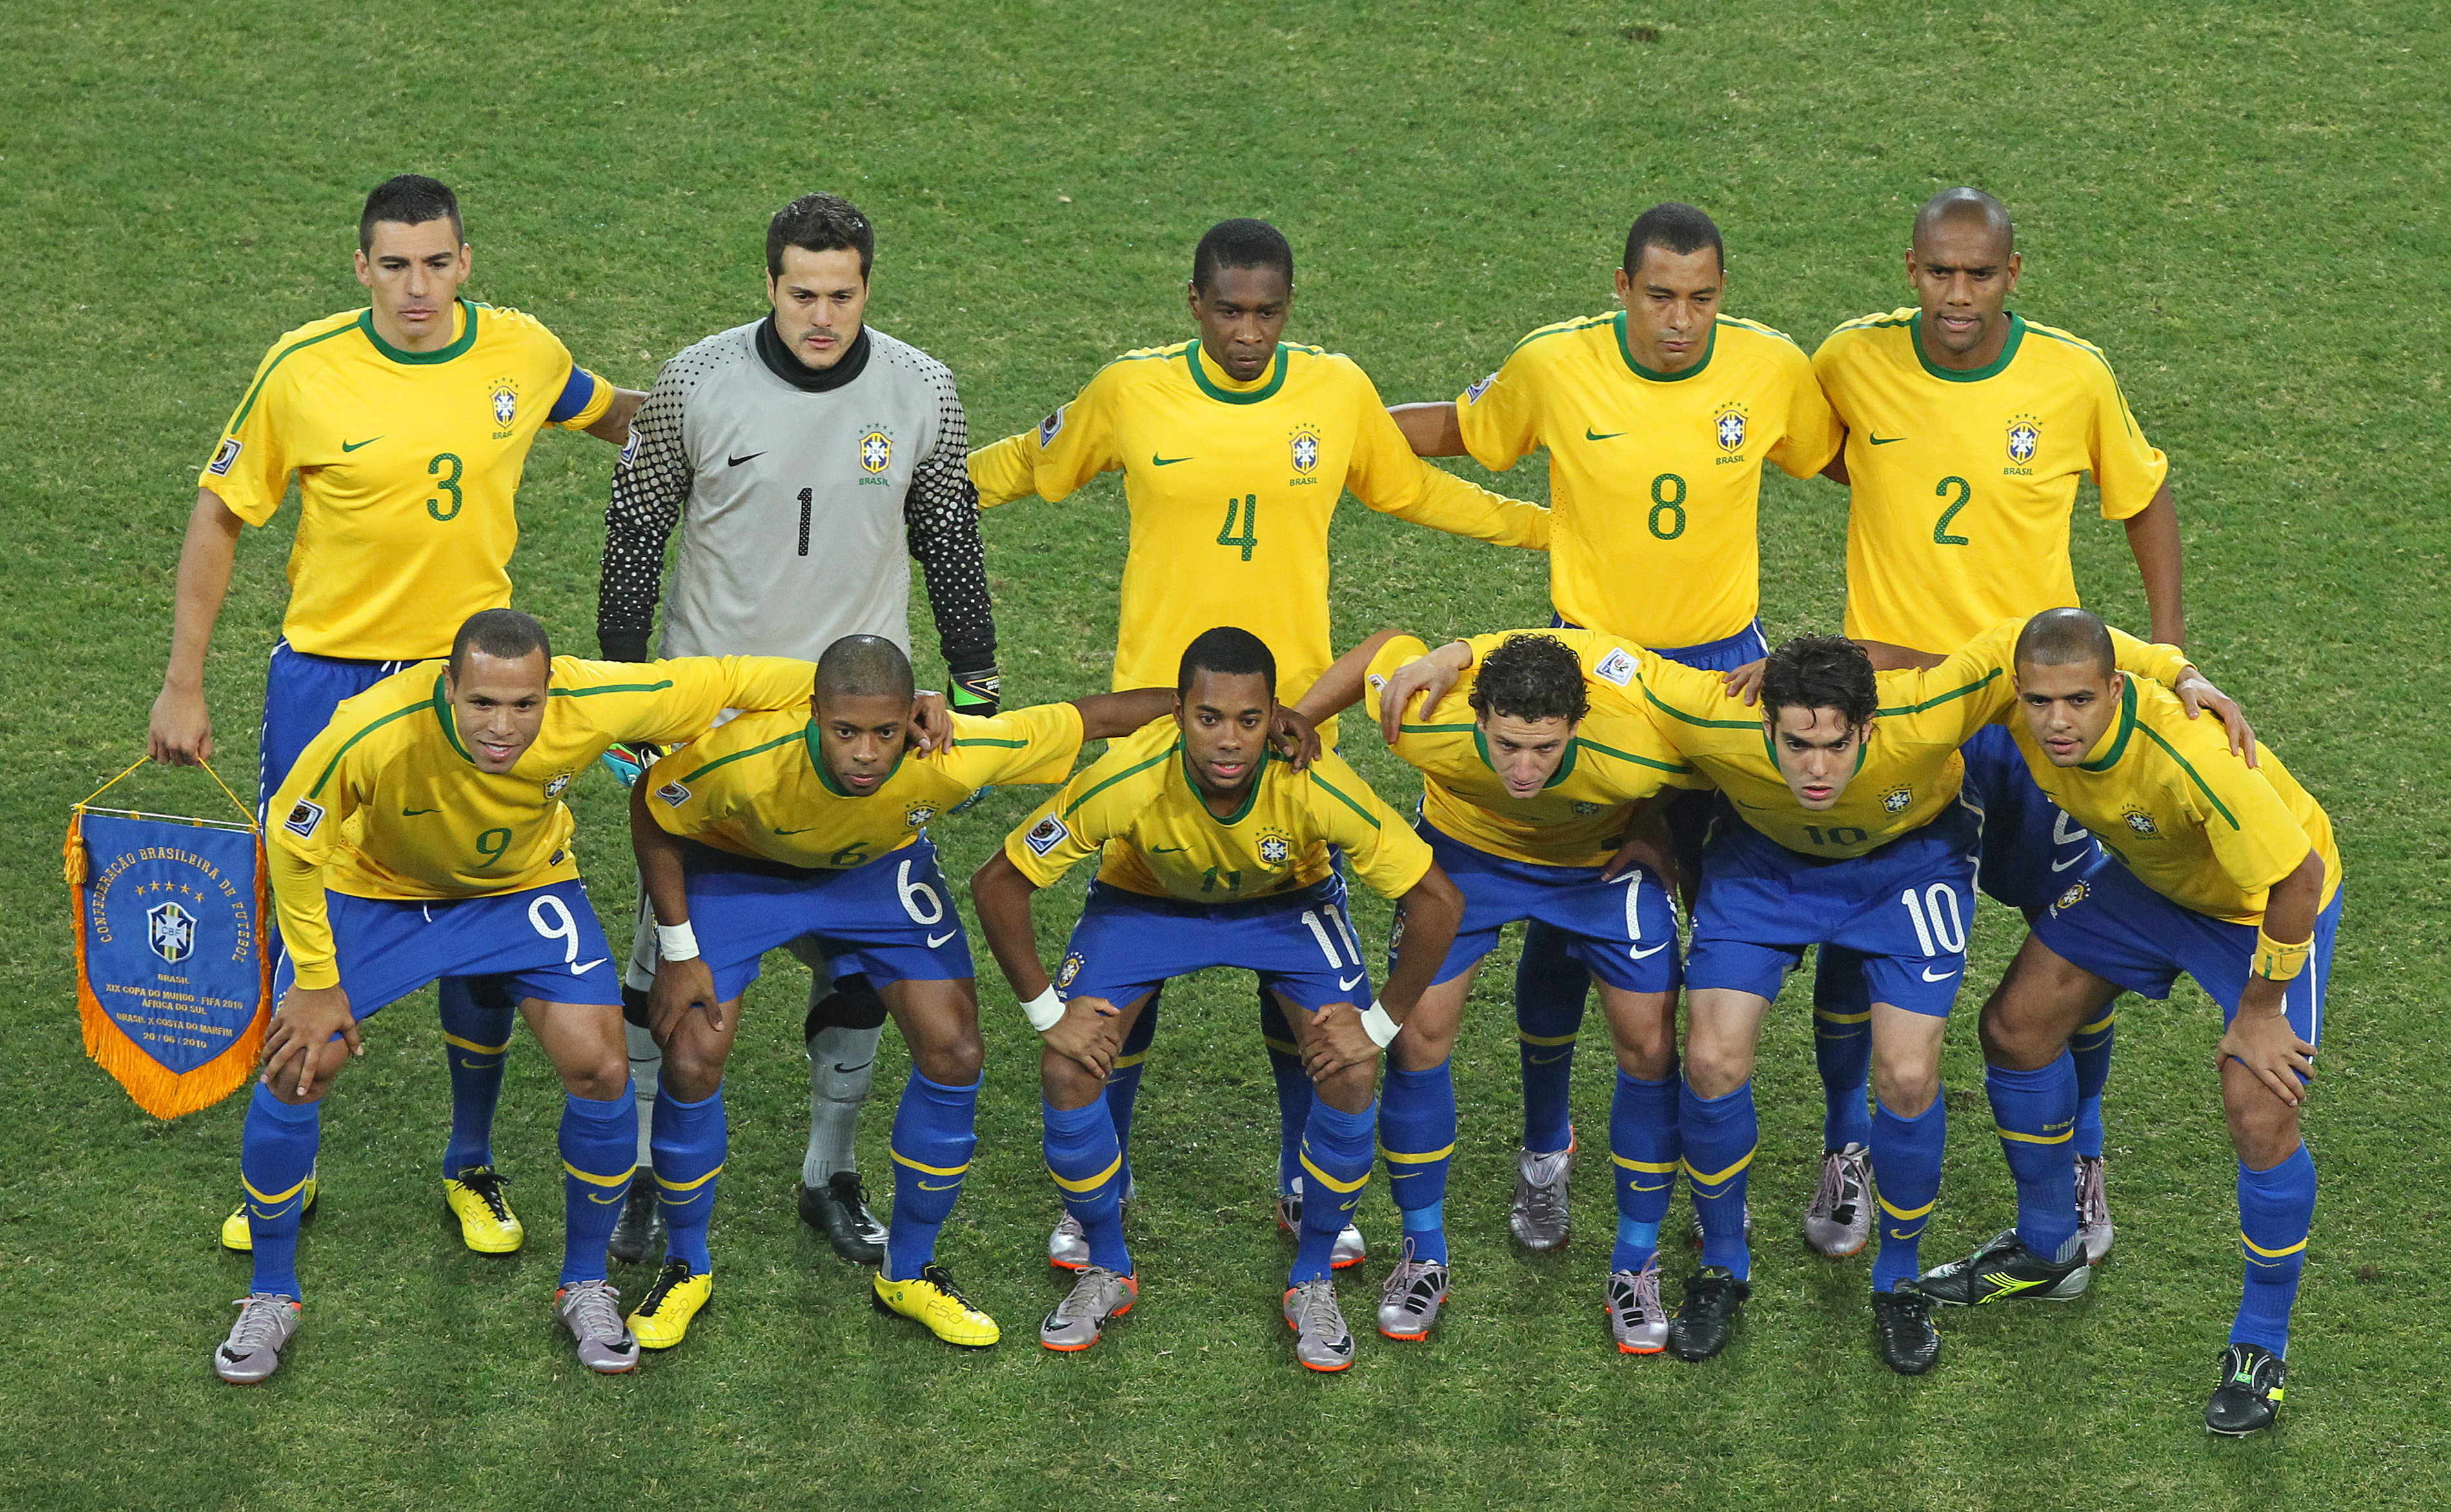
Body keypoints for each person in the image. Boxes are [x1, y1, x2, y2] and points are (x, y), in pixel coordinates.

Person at [969, 218, 1546, 1272]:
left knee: (1298, 955)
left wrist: (1545, 526)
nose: (1247, 331)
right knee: (1127, 939)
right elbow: (1029, 462)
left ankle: (1300, 1175)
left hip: (1293, 730)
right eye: (1228, 310)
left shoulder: (1331, 393)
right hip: (1159, 724)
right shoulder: (1132, 390)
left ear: (1289, 307)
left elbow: (1410, 488)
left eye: (1266, 312)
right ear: (1193, 303)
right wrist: (918, 494)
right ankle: (1108, 1166)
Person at [148, 174, 642, 1258]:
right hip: (326, 678)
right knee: (301, 896)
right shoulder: (302, 369)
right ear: (359, 267)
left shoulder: (521, 352)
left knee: (477, 891)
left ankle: (471, 1161)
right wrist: (184, 681)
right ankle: (292, 1140)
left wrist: (754, 427)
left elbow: (620, 419)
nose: (417, 286)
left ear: (467, 261)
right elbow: (220, 514)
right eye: (395, 264)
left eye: (437, 262)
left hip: (464, 691)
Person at [1389, 203, 1841, 1251]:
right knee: (1573, 906)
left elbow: (1837, 457)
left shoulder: (1770, 368)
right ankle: (1546, 1147)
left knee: (1759, 904)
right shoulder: (1554, 367)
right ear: (1621, 286)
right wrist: (1326, 434)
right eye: (1658, 296)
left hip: (1725, 682)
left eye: (1700, 298)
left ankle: (1830, 1142)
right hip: (1589, 686)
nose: (1679, 320)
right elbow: (1465, 430)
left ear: (1721, 294)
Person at [1613, 619, 2236, 1372]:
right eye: (1795, 745)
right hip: (1766, 870)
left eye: (1836, 745)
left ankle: (1897, 1279)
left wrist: (2182, 672)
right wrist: (1459, 656)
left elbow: (2024, 643)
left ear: (1870, 728)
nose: (1816, 768)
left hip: (1906, 870)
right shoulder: (1712, 709)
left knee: (1908, 1075)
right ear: (1764, 723)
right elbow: (1600, 657)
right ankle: (1722, 1266)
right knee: (1711, 1059)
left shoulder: (1928, 709)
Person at [210, 610, 814, 1384]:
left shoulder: (594, 702)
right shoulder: (371, 726)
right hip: (381, 894)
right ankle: (271, 1295)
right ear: (448, 686)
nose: (505, 728)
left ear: (549, 689)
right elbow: (294, 840)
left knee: (601, 1068)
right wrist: (319, 984)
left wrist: (898, 705)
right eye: (483, 704)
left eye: (525, 705)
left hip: (521, 892)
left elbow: (734, 680)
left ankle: (586, 1284)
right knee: (300, 1063)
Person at [596, 190, 1002, 1268]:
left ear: (868, 286)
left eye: (842, 293)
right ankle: (642, 1168)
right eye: (801, 292)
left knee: (858, 962)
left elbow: (947, 533)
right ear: (767, 284)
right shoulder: (695, 379)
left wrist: (975, 678)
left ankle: (831, 1171)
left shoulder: (919, 388)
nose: (821, 314)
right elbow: (636, 527)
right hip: (714, 726)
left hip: (860, 730)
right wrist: (628, 689)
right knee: (662, 956)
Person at [1811, 187, 2187, 1264]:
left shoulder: (2070, 374)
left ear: (2012, 276)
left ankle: (2082, 1150)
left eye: (1979, 274)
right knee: (1861, 930)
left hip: (2037, 713)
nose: (1957, 293)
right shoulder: (1852, 359)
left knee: (2078, 929)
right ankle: (1848, 1147)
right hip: (1900, 711)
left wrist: (2160, 655)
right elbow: (1820, 453)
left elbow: (2142, 494)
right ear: (1909, 267)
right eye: (1938, 271)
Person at [623, 635, 1183, 1351]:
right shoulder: (747, 759)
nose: (865, 752)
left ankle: (909, 1271)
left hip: (875, 876)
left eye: (885, 732)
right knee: (694, 1052)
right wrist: (677, 949)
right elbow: (653, 805)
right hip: (742, 874)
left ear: (911, 720)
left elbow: (1090, 717)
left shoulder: (948, 754)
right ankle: (686, 1266)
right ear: (814, 714)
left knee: (955, 1050)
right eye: (846, 732)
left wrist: (1218, 709)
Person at [969, 629, 1464, 1369]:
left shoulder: (1313, 779)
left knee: (1352, 1068)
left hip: (1288, 909)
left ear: (1277, 718)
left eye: (1248, 720)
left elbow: (1437, 899)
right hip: (1144, 908)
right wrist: (1049, 1012)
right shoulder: (1130, 774)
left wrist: (1380, 1026)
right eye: (1208, 719)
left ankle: (1314, 1275)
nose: (1228, 741)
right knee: (1068, 1068)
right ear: (1177, 713)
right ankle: (1107, 1265)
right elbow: (998, 881)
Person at [1914, 610, 2335, 1436]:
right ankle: (2048, 1249)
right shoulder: (2022, 701)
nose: (2056, 722)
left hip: (2263, 912)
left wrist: (2258, 1012)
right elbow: (1925, 676)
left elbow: (2298, 877)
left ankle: (2261, 1345)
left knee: (2259, 1109)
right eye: (2040, 702)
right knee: (2016, 1028)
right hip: (2153, 887)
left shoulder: (2192, 755)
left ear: (2114, 691)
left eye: (2078, 700)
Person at [1295, 628, 1702, 1351]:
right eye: (1506, 744)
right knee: (1417, 1037)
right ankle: (1424, 1253)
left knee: (1649, 1047)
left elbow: (1709, 759)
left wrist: (1653, 823)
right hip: (1469, 857)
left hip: (1597, 865)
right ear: (1477, 719)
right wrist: (1293, 719)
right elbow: (1385, 646)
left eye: (1545, 749)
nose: (1524, 766)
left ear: (1577, 725)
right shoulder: (1424, 720)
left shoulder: (1636, 744)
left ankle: (1635, 1266)